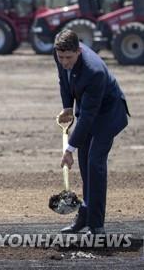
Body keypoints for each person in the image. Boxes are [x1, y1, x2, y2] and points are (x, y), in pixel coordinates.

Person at [54, 29, 129, 235]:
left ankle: (96, 225)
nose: (64, 62)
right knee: (85, 163)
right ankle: (83, 218)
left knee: (95, 164)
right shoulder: (60, 53)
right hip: (88, 109)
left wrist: (69, 149)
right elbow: (64, 80)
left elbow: (88, 116)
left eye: (68, 58)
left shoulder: (93, 71)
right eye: (61, 57)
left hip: (108, 114)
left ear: (78, 51)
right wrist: (68, 107)